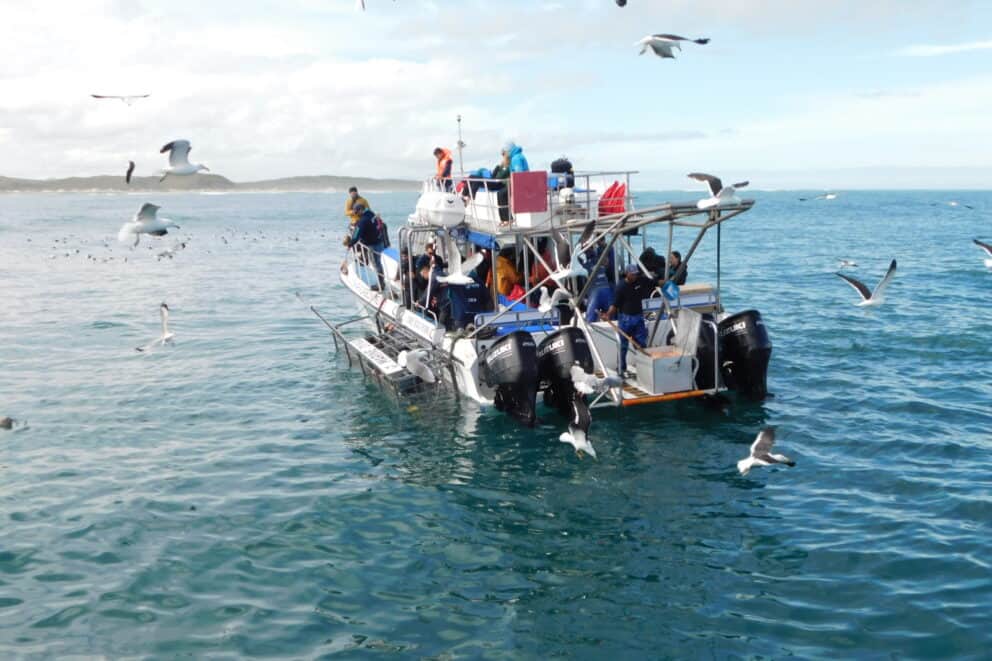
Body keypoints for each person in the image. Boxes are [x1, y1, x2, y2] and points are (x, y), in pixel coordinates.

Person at [600, 263, 662, 375]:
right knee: (623, 346)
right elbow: (615, 304)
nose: (635, 276)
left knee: (641, 344)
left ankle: (644, 369)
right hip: (625, 320)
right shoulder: (621, 287)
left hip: (638, 318)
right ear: (627, 274)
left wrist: (666, 282)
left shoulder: (641, 280)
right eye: (632, 274)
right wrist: (608, 315)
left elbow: (655, 282)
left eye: (636, 274)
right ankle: (621, 369)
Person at [348, 203, 386, 289]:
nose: (356, 214)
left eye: (357, 212)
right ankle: (381, 282)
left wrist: (350, 244)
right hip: (379, 241)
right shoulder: (371, 214)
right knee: (378, 263)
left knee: (376, 264)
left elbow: (357, 234)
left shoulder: (363, 221)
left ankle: (381, 284)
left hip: (373, 244)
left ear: (361, 210)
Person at [579, 238, 615, 322]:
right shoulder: (601, 260)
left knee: (590, 320)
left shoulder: (584, 264)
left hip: (595, 293)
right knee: (612, 317)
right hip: (606, 289)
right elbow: (610, 252)